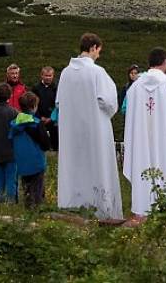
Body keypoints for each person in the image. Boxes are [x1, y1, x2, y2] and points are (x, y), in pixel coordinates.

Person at [56, 33, 123, 220]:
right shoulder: (97, 72)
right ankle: (102, 211)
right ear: (93, 47)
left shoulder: (65, 73)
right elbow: (110, 103)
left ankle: (72, 207)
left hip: (72, 133)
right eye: (99, 51)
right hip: (95, 131)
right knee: (97, 166)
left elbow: (59, 103)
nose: (98, 55)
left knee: (75, 168)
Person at [123, 46, 166, 223]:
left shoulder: (135, 88)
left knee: (142, 167)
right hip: (165, 142)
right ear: (165, 62)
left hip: (141, 142)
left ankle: (142, 209)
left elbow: (130, 119)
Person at [10, 91, 51, 208]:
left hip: (22, 162)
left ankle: (28, 209)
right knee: (38, 189)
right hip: (37, 162)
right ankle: (38, 210)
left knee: (27, 188)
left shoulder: (15, 123)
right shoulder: (36, 124)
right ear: (33, 107)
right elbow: (45, 144)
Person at [32, 66, 59, 151]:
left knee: (55, 138)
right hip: (40, 118)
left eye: (50, 75)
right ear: (42, 75)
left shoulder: (57, 88)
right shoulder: (36, 88)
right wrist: (40, 117)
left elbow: (59, 104)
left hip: (53, 119)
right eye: (46, 75)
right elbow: (33, 104)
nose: (48, 78)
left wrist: (52, 118)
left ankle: (55, 152)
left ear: (53, 76)